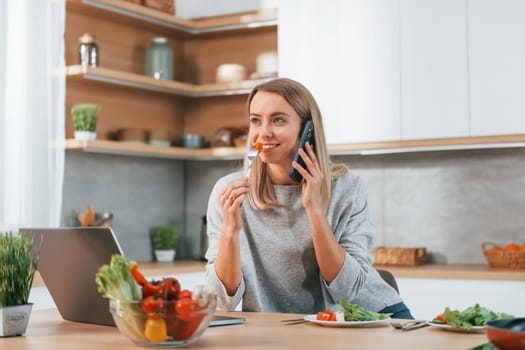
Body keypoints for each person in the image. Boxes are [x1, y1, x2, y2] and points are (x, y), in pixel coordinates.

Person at [205, 78, 414, 319]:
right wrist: (230, 230)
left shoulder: (347, 188)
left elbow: (348, 289)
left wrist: (314, 209)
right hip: (281, 326)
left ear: (308, 131)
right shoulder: (229, 192)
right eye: (255, 120)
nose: (263, 132)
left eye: (278, 120)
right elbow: (220, 303)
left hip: (367, 315)